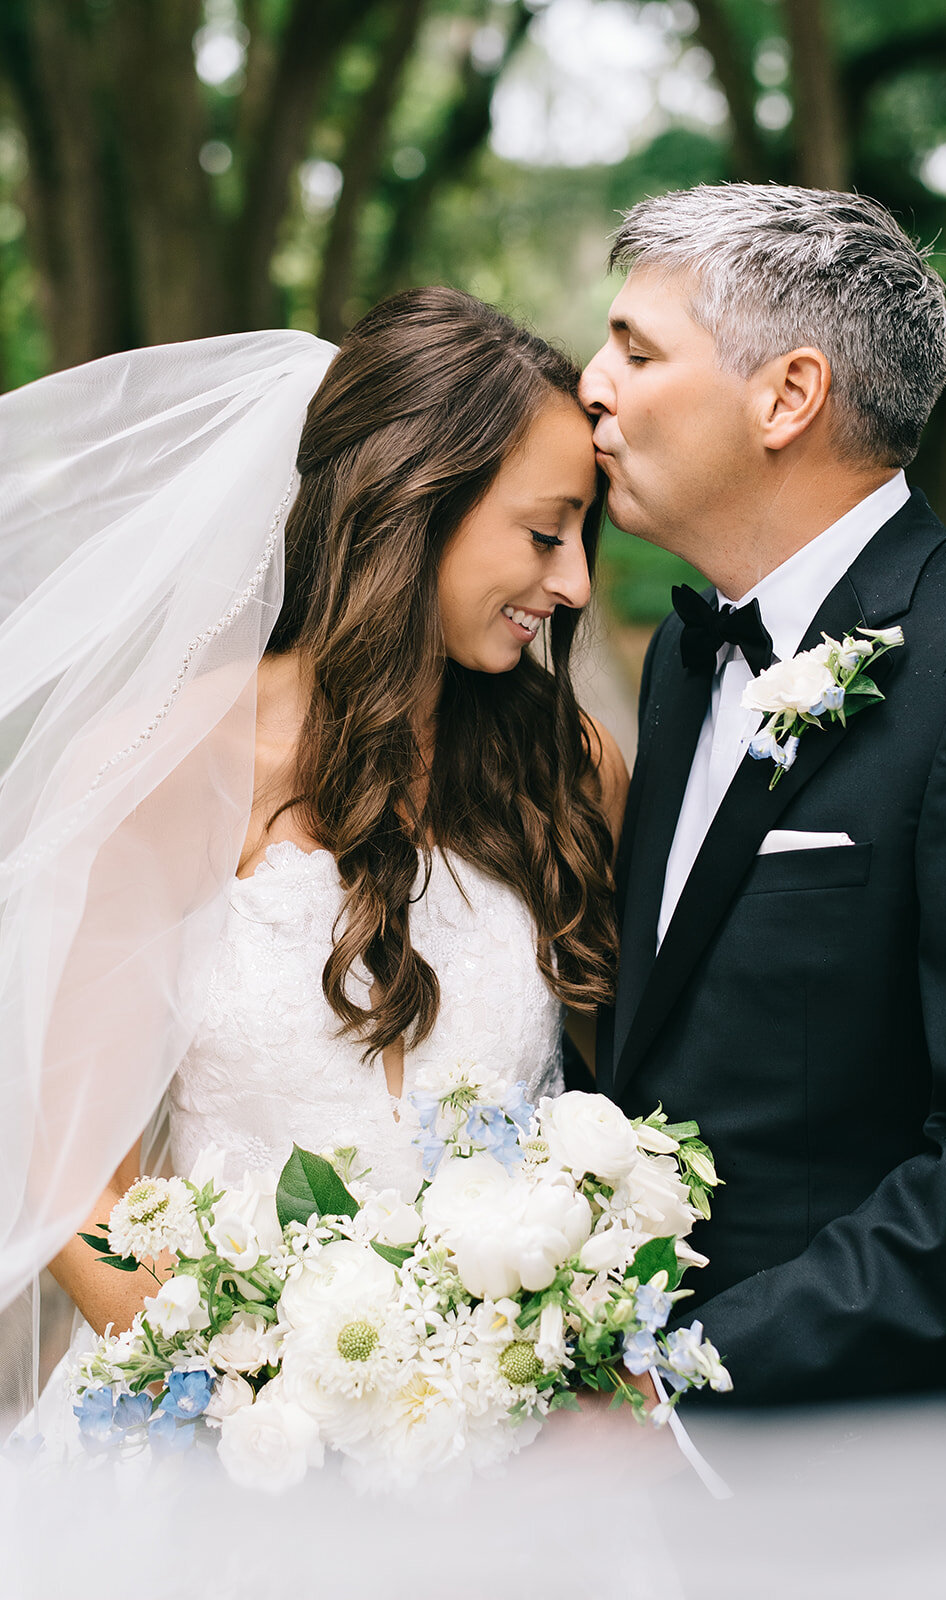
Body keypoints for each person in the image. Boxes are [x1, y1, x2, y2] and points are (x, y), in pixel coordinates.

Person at [0, 287, 627, 1420]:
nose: (576, 582)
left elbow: (635, 1101)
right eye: (546, 533)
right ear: (413, 503)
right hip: (218, 1439)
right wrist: (261, 1408)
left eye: (586, 538)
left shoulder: (566, 769)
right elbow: (76, 1179)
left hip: (505, 1449)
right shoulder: (167, 762)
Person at [581, 183, 946, 1407]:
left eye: (637, 350)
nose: (592, 384)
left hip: (874, 1454)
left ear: (787, 395)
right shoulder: (683, 662)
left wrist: (682, 1392)